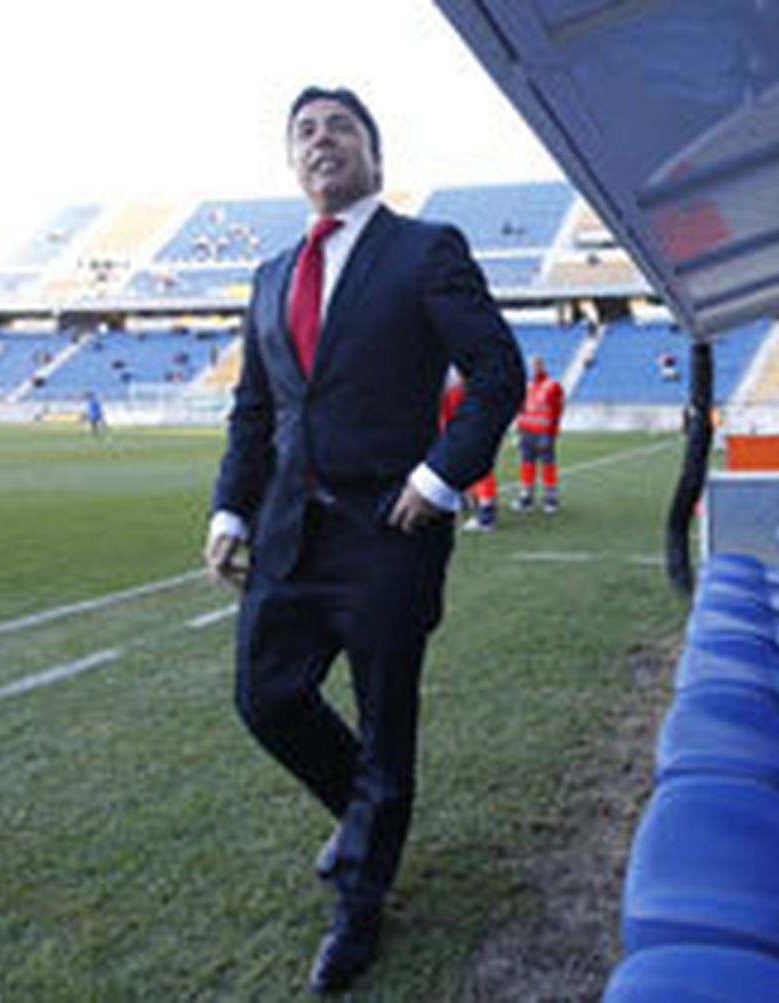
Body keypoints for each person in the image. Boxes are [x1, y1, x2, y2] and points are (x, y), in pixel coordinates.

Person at [202, 86, 524, 994]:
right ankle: (367, 817)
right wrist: (231, 510)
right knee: (267, 697)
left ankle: (361, 899)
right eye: (303, 131)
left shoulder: (426, 250)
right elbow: (255, 411)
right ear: (291, 161)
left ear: (374, 152)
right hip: (288, 533)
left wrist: (437, 477)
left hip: (389, 528)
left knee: (387, 726)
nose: (320, 141)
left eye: (338, 126)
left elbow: (496, 370)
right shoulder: (269, 276)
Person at [440, 371, 499, 532]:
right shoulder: (468, 386)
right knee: (476, 466)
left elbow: (447, 415)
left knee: (474, 466)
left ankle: (486, 513)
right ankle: (478, 505)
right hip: (474, 426)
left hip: (466, 429)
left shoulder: (454, 388)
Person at [512, 354, 565, 514]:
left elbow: (556, 412)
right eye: (531, 366)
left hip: (543, 434)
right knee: (526, 465)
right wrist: (519, 431)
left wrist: (551, 434)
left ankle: (550, 499)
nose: (533, 369)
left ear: (542, 366)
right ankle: (526, 497)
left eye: (536, 365)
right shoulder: (527, 386)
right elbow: (521, 410)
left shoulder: (553, 386)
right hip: (527, 432)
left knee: (548, 466)